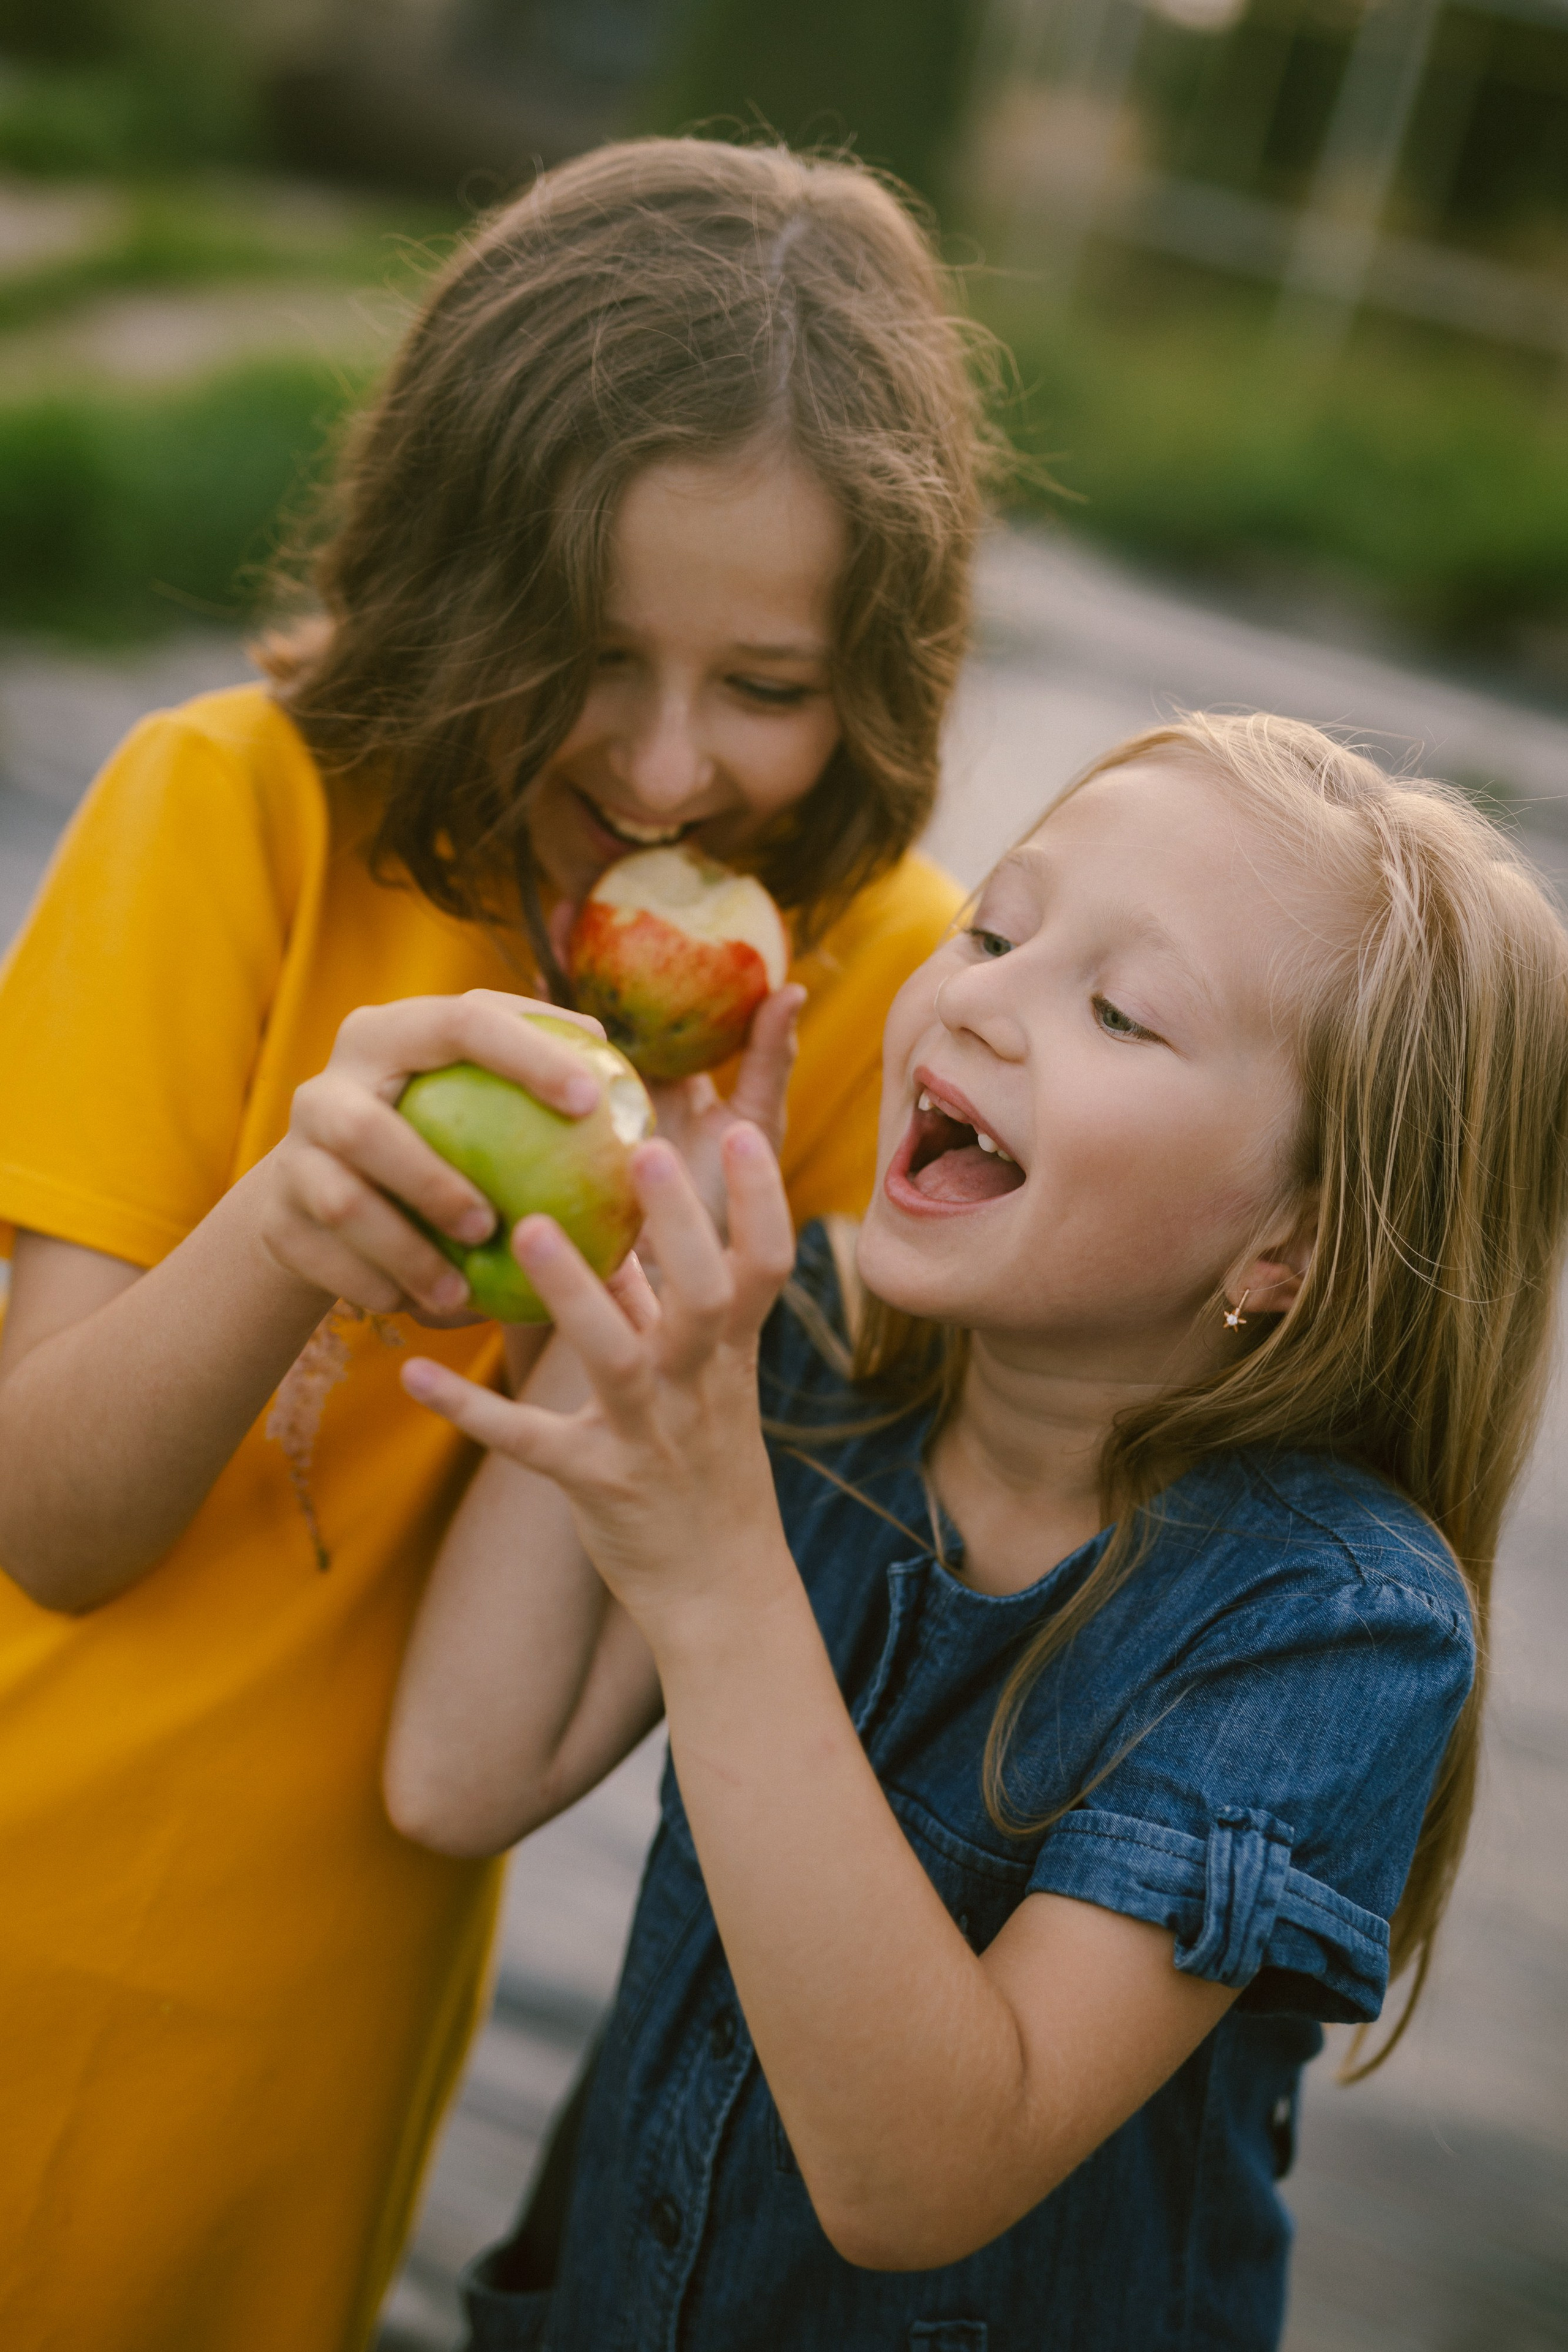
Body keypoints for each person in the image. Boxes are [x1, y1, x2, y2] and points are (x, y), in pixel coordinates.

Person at [0, 140, 989, 2352]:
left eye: (767, 683)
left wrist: (665, 1266)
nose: (665, 769)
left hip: (321, 2019)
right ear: (452, 580)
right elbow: (50, 1526)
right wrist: (288, 1224)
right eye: (590, 658)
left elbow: (557, 1702)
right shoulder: (232, 803)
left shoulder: (863, 994)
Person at [384, 712, 1568, 2351]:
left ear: (1291, 1242)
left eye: (1118, 1011)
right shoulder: (793, 1355)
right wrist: (631, 1236)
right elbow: (459, 1771)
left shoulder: (1333, 1626)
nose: (980, 1001)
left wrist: (715, 1561)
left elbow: (921, 2181)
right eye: (996, 928)